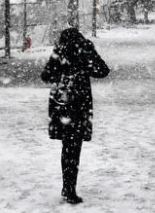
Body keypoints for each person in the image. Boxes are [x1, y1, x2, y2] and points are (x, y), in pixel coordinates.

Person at [40, 27, 110, 205]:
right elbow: (102, 70)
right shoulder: (85, 48)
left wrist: (62, 73)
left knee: (67, 146)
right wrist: (85, 65)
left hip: (61, 104)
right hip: (79, 104)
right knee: (74, 146)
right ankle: (69, 188)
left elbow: (46, 75)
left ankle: (68, 187)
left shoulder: (59, 50)